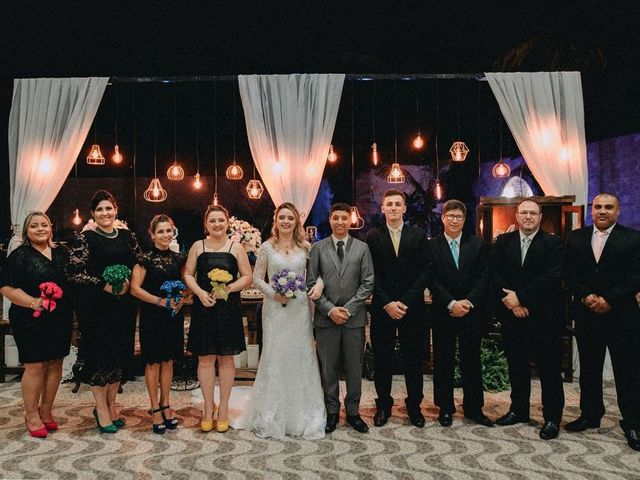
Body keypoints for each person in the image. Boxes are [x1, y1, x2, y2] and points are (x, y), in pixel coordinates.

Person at [239, 202, 326, 439]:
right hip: (275, 309)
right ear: (276, 220)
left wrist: (318, 285)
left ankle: (302, 413)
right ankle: (272, 414)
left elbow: (317, 275)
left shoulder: (306, 247)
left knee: (301, 354)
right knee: (275, 355)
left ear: (297, 221)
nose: (286, 221)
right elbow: (257, 278)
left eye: (290, 218)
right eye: (282, 217)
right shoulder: (267, 247)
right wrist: (274, 293)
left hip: (299, 309)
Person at [565, 192, 640, 451]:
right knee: (589, 368)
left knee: (627, 371)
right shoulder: (576, 238)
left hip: (622, 316)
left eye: (608, 207)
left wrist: (609, 299)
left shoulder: (633, 238)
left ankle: (632, 422)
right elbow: (569, 273)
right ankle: (590, 414)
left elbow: (636, 276)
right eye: (598, 207)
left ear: (618, 211)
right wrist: (586, 296)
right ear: (591, 211)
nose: (602, 211)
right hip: (587, 315)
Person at [68, 190, 142, 434]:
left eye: (108, 208)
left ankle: (112, 404)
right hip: (96, 308)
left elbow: (138, 261)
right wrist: (104, 284)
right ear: (93, 214)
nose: (105, 213)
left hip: (124, 307)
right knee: (99, 357)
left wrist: (132, 280)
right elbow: (74, 273)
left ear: (115, 210)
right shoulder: (85, 238)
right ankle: (100, 408)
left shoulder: (126, 235)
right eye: (99, 209)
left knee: (119, 355)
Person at [491, 198, 565, 440]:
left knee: (549, 370)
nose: (528, 217)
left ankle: (552, 418)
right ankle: (519, 410)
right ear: (517, 215)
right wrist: (511, 303)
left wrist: (521, 298)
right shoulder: (504, 241)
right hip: (513, 317)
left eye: (533, 213)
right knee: (517, 367)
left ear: (540, 216)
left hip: (544, 318)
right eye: (524, 213)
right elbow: (495, 273)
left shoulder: (553, 243)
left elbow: (551, 277)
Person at [0, 212, 73, 438]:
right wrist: (33, 303)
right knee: (35, 365)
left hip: (60, 317)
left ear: (51, 227)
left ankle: (46, 411)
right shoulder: (19, 256)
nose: (40, 229)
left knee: (56, 363)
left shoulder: (63, 253)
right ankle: (31, 415)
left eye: (44, 225)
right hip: (29, 317)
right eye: (34, 226)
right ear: (26, 231)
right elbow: (5, 288)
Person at [184, 205, 252, 433]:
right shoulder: (197, 246)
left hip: (228, 310)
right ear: (206, 224)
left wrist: (229, 288)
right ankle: (207, 407)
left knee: (225, 359)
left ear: (227, 223)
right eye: (212, 221)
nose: (217, 224)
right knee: (205, 359)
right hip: (204, 308)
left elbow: (247, 277)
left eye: (221, 220)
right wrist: (200, 293)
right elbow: (187, 274)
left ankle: (223, 407)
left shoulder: (236, 247)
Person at [307, 203, 374, 434]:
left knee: (355, 368)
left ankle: (353, 412)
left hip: (353, 320)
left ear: (351, 220)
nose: (340, 222)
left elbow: (368, 283)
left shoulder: (362, 248)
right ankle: (332, 411)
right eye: (336, 218)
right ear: (330, 219)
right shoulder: (318, 248)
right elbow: (310, 283)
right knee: (328, 368)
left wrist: (348, 309)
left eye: (344, 218)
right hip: (326, 320)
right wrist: (329, 310)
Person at [366, 189, 430, 428]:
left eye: (397, 204)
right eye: (389, 204)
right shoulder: (372, 237)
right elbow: (370, 274)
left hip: (411, 309)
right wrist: (387, 303)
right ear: (382, 209)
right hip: (383, 309)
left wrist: (404, 302)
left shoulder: (418, 236)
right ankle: (383, 405)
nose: (393, 208)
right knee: (382, 360)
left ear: (404, 208)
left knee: (413, 360)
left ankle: (414, 407)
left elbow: (425, 272)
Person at [428, 199, 494, 428]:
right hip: (443, 312)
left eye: (459, 217)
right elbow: (431, 279)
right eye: (451, 216)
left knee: (471, 360)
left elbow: (484, 277)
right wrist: (450, 303)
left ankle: (474, 408)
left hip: (471, 312)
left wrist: (468, 302)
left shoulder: (478, 245)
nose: (455, 220)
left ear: (464, 220)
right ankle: (445, 408)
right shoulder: (432, 246)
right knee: (443, 361)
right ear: (443, 218)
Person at [130, 214, 186, 434]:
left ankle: (166, 403)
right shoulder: (144, 259)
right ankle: (154, 407)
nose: (165, 235)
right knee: (153, 362)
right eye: (160, 231)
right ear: (152, 234)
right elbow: (135, 288)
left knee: (168, 361)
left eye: (168, 231)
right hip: (152, 316)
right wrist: (160, 301)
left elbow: (184, 284)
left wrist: (181, 299)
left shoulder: (179, 258)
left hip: (173, 317)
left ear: (173, 232)